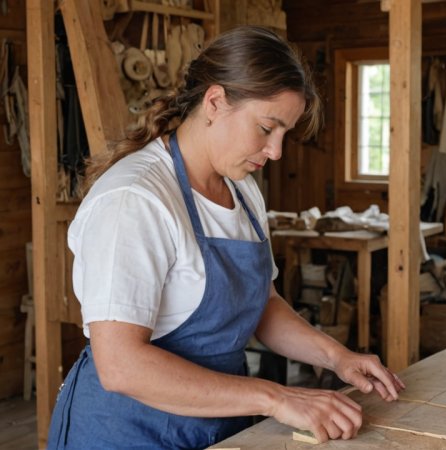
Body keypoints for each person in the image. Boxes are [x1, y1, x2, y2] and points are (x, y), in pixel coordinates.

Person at [47, 26, 405, 449]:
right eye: (267, 128)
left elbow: (262, 305)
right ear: (215, 101)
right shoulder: (135, 199)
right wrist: (276, 397)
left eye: (284, 134)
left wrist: (337, 358)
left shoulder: (241, 188)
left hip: (214, 423)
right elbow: (121, 366)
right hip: (125, 431)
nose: (276, 152)